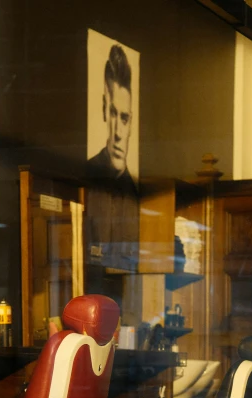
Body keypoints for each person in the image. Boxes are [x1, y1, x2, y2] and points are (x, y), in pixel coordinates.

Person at [87, 44, 139, 270]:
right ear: (104, 110)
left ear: (132, 122)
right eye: (113, 114)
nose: (118, 132)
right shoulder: (86, 181)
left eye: (125, 118)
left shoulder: (135, 195)